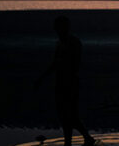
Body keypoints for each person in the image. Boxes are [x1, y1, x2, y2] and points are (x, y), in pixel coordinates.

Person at [36, 16, 97, 146]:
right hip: (61, 82)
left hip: (70, 83)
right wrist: (43, 77)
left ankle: (82, 138)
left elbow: (75, 64)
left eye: (60, 27)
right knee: (64, 115)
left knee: (70, 114)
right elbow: (54, 63)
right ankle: (73, 141)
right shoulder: (60, 43)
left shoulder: (74, 42)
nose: (58, 30)